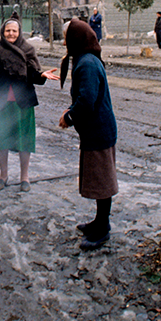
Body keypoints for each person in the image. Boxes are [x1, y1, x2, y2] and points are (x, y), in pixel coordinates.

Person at [0, 14, 59, 192]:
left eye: (14, 31)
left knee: (25, 140)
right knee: (1, 140)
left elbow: (32, 75)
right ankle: (3, 176)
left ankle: (25, 178)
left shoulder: (28, 51)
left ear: (19, 32)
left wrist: (41, 75)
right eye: (8, 30)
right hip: (1, 104)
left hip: (23, 103)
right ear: (2, 32)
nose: (11, 34)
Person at [57, 18, 118, 250]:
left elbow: (87, 100)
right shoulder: (86, 59)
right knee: (97, 176)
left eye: (66, 38)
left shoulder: (87, 64)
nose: (64, 43)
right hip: (96, 130)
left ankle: (102, 229)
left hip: (99, 130)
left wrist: (69, 117)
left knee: (102, 180)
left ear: (75, 39)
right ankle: (99, 221)